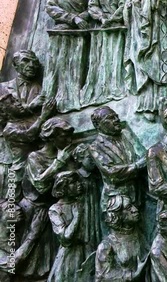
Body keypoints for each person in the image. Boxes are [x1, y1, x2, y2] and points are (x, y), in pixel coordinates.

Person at [16, 117, 75, 280]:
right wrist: (59, 162)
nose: (68, 140)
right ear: (52, 137)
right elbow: (40, 185)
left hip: (50, 208)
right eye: (64, 136)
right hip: (32, 208)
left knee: (46, 253)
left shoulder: (63, 155)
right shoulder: (35, 157)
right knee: (32, 250)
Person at [90, 106, 146, 211]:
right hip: (117, 202)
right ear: (98, 125)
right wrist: (137, 165)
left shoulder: (127, 134)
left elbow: (142, 155)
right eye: (110, 118)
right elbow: (111, 172)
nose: (116, 120)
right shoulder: (95, 147)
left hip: (137, 193)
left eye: (116, 116)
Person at [95, 195, 148, 282]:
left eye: (133, 205)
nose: (135, 210)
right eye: (128, 207)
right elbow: (101, 277)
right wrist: (130, 276)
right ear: (118, 215)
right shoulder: (107, 245)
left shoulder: (140, 235)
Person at [48, 171, 85, 282]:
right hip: (68, 255)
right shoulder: (55, 210)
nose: (79, 184)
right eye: (73, 182)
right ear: (63, 187)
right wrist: (76, 217)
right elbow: (65, 238)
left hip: (85, 250)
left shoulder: (81, 203)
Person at [0, 50, 44, 115]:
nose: (31, 65)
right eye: (26, 61)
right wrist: (30, 107)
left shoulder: (41, 91)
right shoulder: (2, 87)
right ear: (15, 65)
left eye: (35, 63)